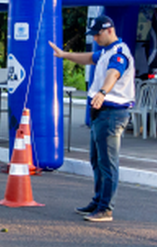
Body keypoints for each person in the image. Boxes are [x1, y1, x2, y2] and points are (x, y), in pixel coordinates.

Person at [49, 15, 134, 223]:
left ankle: (106, 208)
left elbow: (114, 73)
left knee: (108, 163)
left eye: (98, 34)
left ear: (109, 30)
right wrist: (64, 55)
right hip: (101, 113)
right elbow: (89, 58)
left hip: (112, 112)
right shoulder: (106, 51)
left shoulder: (119, 53)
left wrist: (103, 92)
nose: (95, 38)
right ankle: (98, 201)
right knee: (97, 161)